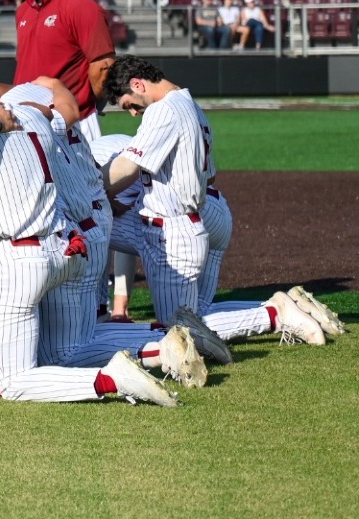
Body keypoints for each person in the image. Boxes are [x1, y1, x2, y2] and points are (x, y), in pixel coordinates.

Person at [0, 81, 174, 408]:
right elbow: (61, 108)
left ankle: (114, 378)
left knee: (12, 382)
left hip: (16, 256)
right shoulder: (34, 116)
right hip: (63, 244)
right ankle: (159, 347)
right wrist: (49, 85)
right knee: (64, 353)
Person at [102, 56, 335, 347]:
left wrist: (93, 192)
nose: (134, 113)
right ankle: (286, 308)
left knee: (179, 331)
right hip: (193, 220)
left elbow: (127, 166)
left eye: (131, 105)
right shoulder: (190, 104)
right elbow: (210, 177)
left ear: (138, 84)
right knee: (196, 315)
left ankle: (275, 314)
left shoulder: (163, 110)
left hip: (173, 231)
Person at [11, 0, 113, 139]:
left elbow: (103, 66)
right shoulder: (23, 10)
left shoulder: (81, 6)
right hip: (29, 123)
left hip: (74, 126)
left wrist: (88, 105)